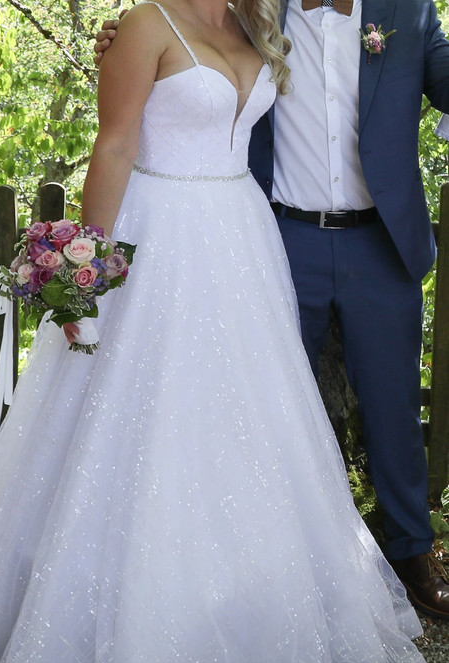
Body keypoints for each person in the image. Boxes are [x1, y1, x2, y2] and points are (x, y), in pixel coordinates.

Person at [0, 0, 432, 663]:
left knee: (245, 430)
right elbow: (115, 143)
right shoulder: (142, 24)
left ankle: (243, 613)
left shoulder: (259, 22)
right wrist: (82, 271)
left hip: (242, 239)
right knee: (140, 422)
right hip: (161, 240)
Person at [95, 0, 449, 621]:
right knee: (257, 405)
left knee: (394, 406)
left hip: (382, 242)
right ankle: (271, 562)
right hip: (281, 239)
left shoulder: (409, 12)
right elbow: (178, 68)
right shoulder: (259, 15)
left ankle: (412, 551)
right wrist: (125, 43)